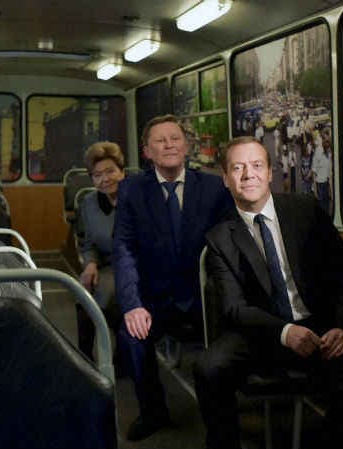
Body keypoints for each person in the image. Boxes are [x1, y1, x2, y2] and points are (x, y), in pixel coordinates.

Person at [194, 136, 343, 449]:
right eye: (237, 168)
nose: (248, 174)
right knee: (208, 368)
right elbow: (235, 308)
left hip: (319, 325)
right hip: (261, 332)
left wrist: (342, 326)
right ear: (225, 178)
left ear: (269, 173)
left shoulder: (305, 210)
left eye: (256, 165)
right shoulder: (219, 237)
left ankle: (328, 442)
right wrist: (285, 332)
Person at [113, 114, 233, 441]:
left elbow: (230, 245)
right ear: (146, 151)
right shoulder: (132, 190)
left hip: (203, 297)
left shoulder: (213, 187)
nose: (169, 145)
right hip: (156, 298)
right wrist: (133, 305)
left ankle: (223, 423)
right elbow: (124, 249)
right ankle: (153, 411)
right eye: (160, 140)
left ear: (186, 146)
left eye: (175, 138)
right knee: (130, 336)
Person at [76, 141, 125, 361]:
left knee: (106, 292)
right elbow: (88, 243)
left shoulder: (137, 197)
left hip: (136, 264)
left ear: (122, 171)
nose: (105, 179)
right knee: (83, 292)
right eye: (97, 175)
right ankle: (84, 358)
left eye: (110, 171)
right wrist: (90, 264)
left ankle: (121, 358)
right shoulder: (89, 203)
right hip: (106, 264)